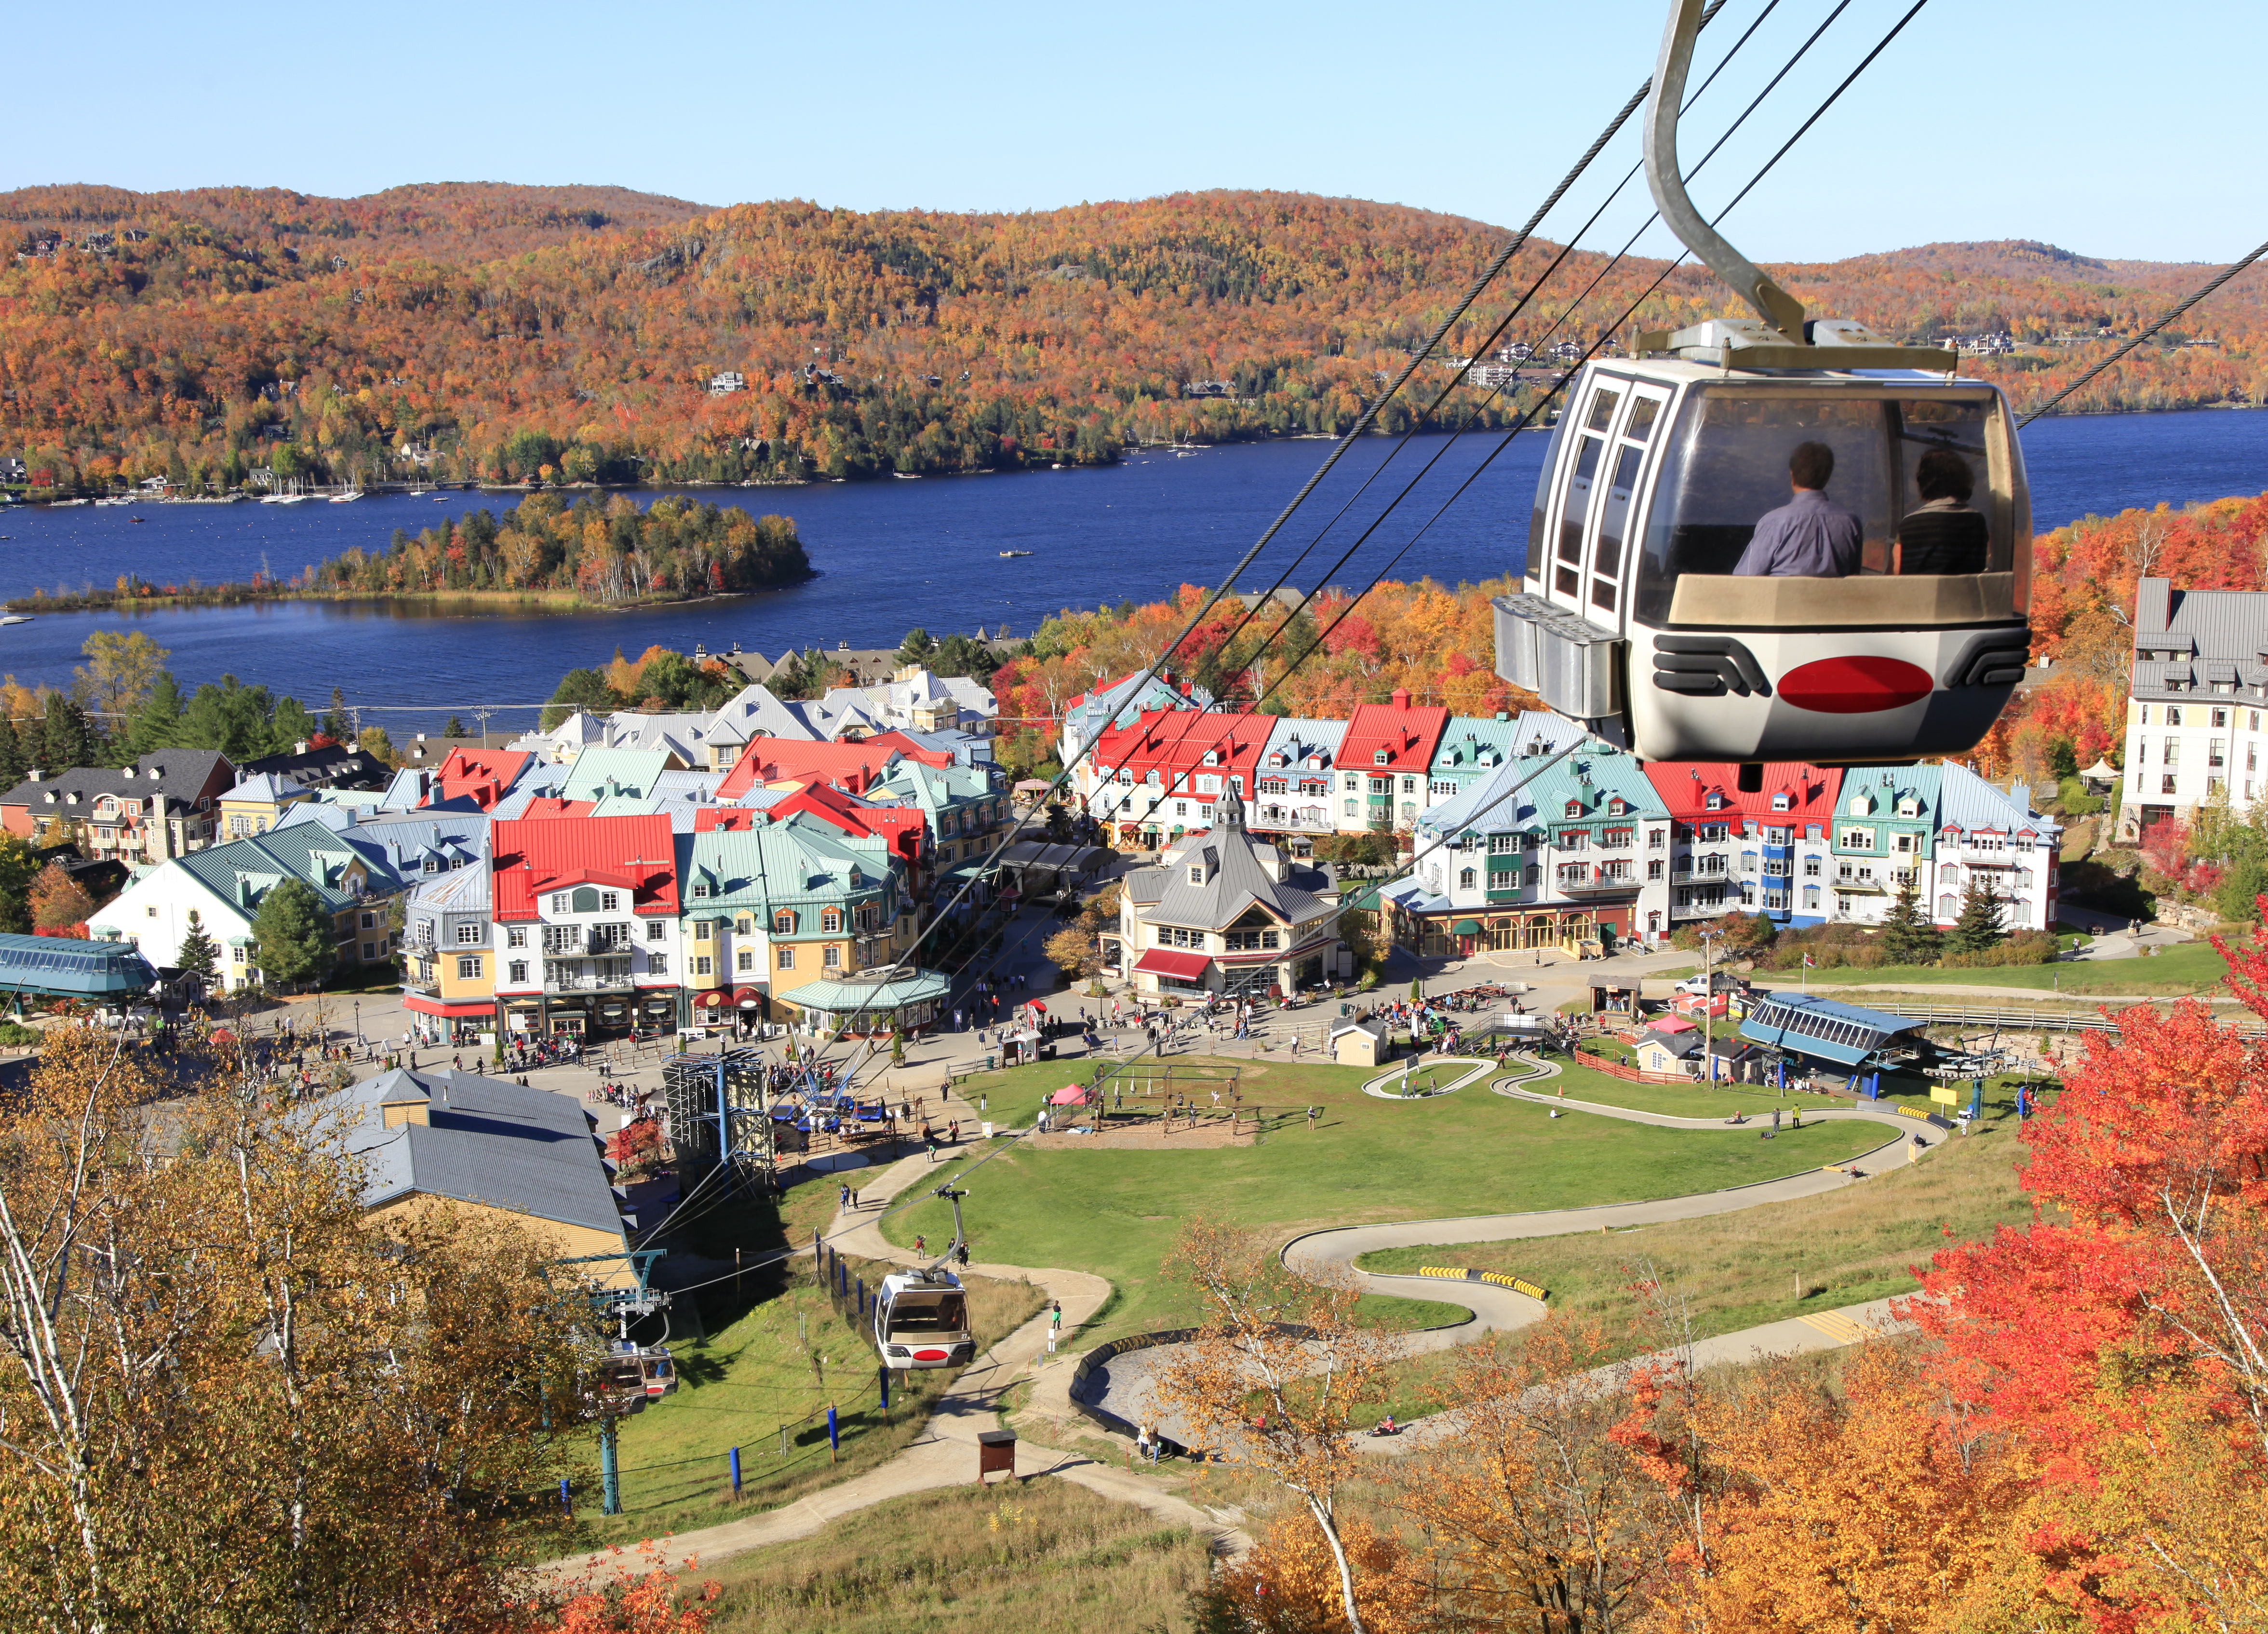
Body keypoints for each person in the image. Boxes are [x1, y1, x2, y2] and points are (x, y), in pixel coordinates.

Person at [1733, 441, 1863, 578]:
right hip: (1834, 598)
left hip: (1782, 599)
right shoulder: (1851, 523)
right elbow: (1854, 577)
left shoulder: (1773, 522)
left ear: (1792, 476)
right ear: (1828, 475)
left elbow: (1746, 579)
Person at [1895, 447, 1990, 574]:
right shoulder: (1976, 521)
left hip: (1918, 593)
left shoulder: (1908, 524)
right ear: (1963, 479)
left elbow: (1898, 569)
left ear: (1924, 481)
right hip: (1963, 593)